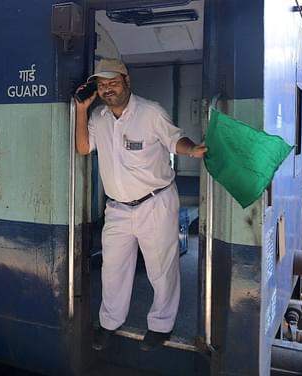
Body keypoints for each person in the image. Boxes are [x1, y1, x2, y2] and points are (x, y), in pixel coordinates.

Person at [74, 58, 207, 352]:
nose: (108, 89)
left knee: (161, 268)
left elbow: (175, 140)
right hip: (118, 209)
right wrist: (81, 110)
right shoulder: (98, 117)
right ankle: (109, 323)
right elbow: (83, 147)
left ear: (127, 81)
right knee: (113, 269)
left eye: (113, 83)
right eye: (102, 85)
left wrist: (192, 150)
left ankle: (161, 325)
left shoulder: (150, 112)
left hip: (155, 203)